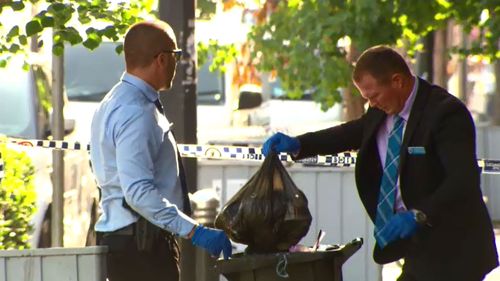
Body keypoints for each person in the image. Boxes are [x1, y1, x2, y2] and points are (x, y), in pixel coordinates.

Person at [262, 45, 498, 281]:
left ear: (398, 81)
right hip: (418, 247)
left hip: (456, 246)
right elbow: (349, 133)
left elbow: (462, 179)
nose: (372, 104)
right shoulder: (381, 110)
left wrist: (419, 214)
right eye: (367, 98)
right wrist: (298, 144)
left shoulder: (446, 113)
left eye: (374, 96)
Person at [90, 21, 231, 281]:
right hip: (142, 247)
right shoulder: (137, 112)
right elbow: (138, 191)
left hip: (127, 240)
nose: (178, 63)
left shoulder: (112, 102)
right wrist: (193, 231)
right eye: (177, 56)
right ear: (162, 59)